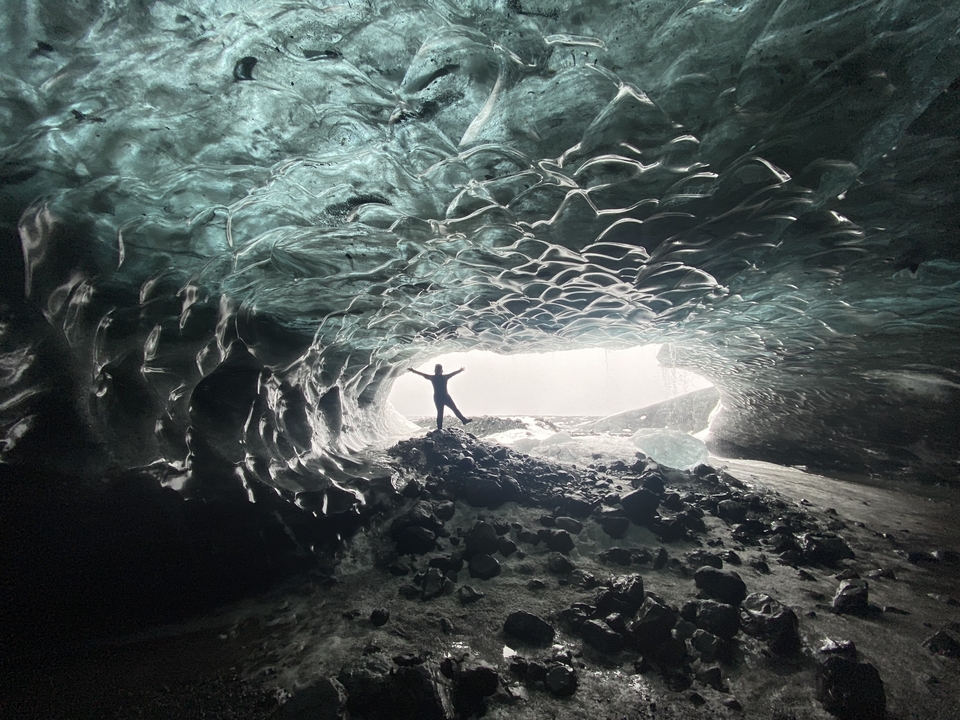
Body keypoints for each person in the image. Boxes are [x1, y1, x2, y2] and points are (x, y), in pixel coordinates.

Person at [408, 364, 471, 430]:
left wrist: (459, 370)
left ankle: (464, 420)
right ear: (435, 370)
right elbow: (422, 374)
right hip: (438, 398)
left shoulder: (444, 377)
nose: (438, 371)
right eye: (437, 369)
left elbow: (453, 374)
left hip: (445, 396)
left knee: (454, 409)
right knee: (440, 413)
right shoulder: (433, 377)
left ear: (441, 370)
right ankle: (439, 428)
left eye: (439, 369)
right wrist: (413, 370)